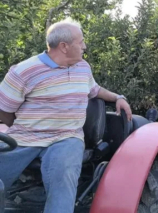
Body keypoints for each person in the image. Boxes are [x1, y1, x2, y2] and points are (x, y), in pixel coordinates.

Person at [0, 18, 132, 213]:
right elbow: (4, 110)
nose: (84, 46)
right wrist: (21, 129)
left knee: (63, 175)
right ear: (63, 46)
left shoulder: (83, 67)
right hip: (24, 137)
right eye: (81, 42)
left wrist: (118, 97)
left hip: (66, 137)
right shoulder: (23, 71)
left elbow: (94, 90)